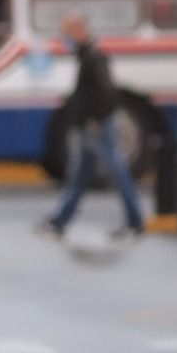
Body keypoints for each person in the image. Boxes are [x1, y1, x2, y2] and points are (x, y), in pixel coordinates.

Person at [38, 13, 145, 241]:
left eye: (67, 31)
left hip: (96, 127)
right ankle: (59, 222)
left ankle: (135, 222)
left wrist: (94, 119)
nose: (64, 37)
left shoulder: (94, 57)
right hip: (88, 126)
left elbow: (107, 93)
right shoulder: (86, 55)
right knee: (79, 177)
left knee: (118, 173)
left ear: (79, 30)